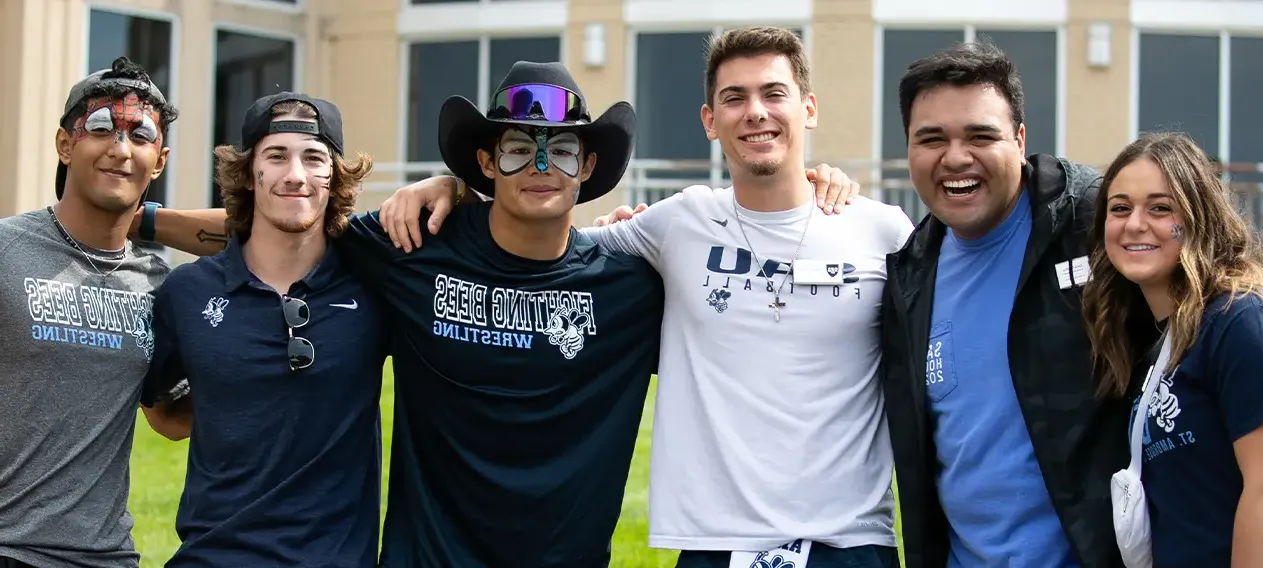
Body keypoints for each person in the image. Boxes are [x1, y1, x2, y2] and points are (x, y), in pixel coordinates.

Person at [382, 27, 910, 568]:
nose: (756, 112)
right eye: (734, 97)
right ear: (709, 120)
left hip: (850, 543)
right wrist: (454, 186)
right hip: (714, 545)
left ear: (809, 108)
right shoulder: (675, 224)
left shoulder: (884, 232)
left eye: (774, 94)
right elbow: (549, 245)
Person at [874, 42, 1263, 568]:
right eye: (932, 139)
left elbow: (1232, 310)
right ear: (907, 148)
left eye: (980, 135)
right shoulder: (907, 274)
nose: (956, 157)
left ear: (1020, 140)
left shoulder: (1097, 216)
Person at [1084, 132, 1263, 567]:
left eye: (1160, 208)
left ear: (1199, 218)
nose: (1135, 223)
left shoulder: (1244, 318)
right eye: (1120, 208)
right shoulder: (1166, 339)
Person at [137, 92, 387, 567]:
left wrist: (447, 185)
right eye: (276, 156)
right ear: (250, 174)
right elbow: (163, 416)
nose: (295, 175)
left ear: (334, 177)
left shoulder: (376, 286)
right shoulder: (186, 293)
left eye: (314, 158)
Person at [0, 57, 188, 568]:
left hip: (107, 557)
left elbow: (171, 420)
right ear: (65, 144)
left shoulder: (156, 283)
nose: (120, 148)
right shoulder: (6, 251)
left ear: (161, 159)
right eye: (101, 127)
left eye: (140, 134)